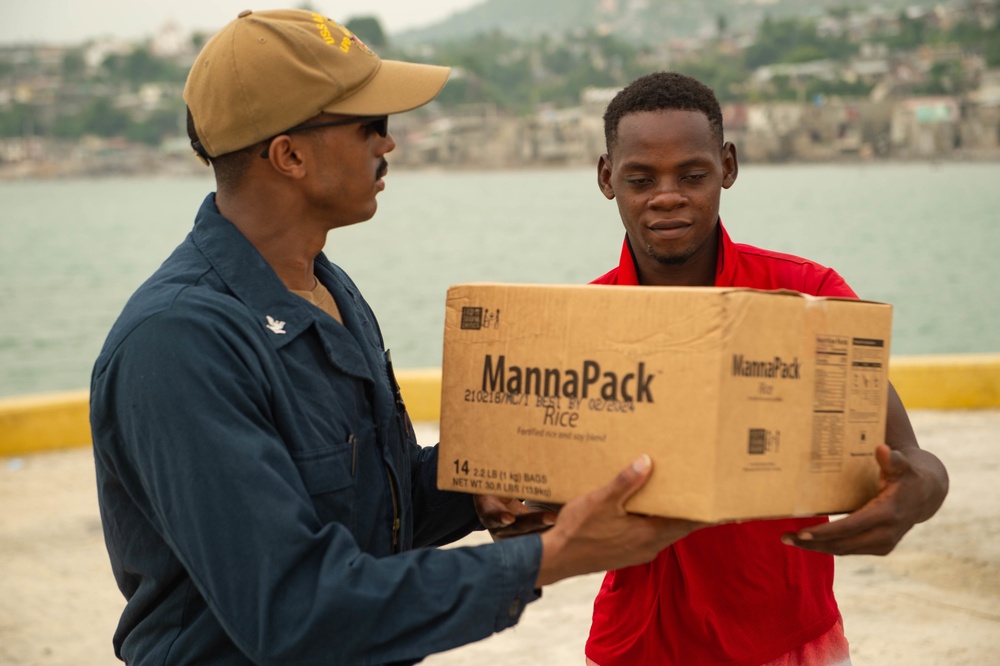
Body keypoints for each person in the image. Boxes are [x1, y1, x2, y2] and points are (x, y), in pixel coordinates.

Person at [88, 11, 701, 666]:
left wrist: (486, 479)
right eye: (370, 125)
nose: (390, 144)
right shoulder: (178, 345)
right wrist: (555, 555)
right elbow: (294, 610)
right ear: (288, 155)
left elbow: (380, 503)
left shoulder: (329, 288)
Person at [582, 71, 950, 666]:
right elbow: (551, 488)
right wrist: (509, 506)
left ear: (727, 166)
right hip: (638, 644)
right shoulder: (580, 323)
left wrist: (916, 495)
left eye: (693, 175)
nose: (668, 196)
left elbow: (914, 458)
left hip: (789, 639)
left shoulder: (808, 297)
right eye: (641, 178)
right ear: (607, 178)